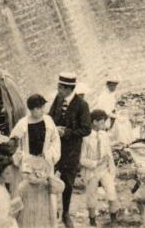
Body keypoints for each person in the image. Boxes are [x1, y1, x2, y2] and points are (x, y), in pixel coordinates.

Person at [10, 94, 63, 228]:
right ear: (31, 109)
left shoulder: (48, 120)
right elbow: (13, 143)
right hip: (28, 165)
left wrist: (49, 154)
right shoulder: (23, 123)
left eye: (42, 107)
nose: (42, 110)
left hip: (45, 163)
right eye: (38, 108)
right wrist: (21, 156)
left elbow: (55, 140)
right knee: (28, 194)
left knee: (47, 194)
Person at [48, 72, 92, 227]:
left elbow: (86, 129)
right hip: (54, 148)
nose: (58, 89)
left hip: (71, 151)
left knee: (67, 181)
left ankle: (65, 212)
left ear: (68, 88)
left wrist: (66, 132)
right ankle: (50, 211)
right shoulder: (58, 99)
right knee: (48, 176)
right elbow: (50, 116)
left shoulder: (81, 105)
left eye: (60, 87)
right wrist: (53, 128)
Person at [81, 110, 120, 226]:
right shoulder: (86, 138)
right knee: (91, 196)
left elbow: (109, 154)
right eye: (102, 123)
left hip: (104, 169)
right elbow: (82, 159)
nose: (104, 125)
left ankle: (113, 220)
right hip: (91, 170)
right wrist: (95, 163)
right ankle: (92, 221)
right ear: (94, 122)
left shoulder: (104, 136)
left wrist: (112, 168)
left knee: (111, 192)